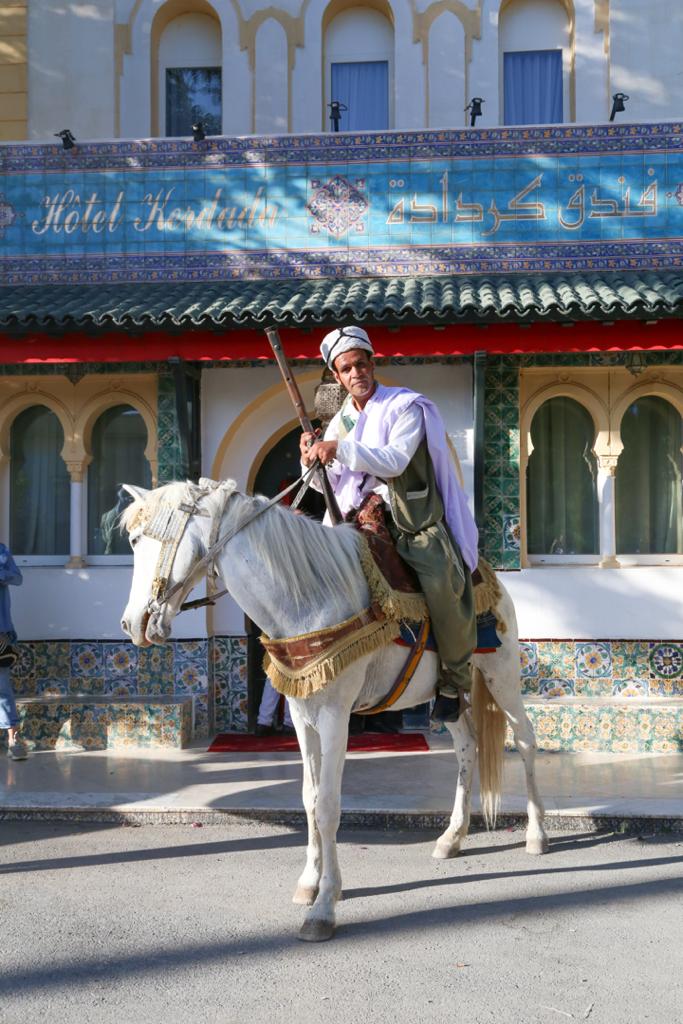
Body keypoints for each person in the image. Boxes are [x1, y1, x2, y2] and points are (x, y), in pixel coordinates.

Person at [299, 326, 478, 724]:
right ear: (337, 376)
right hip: (354, 520)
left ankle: (454, 679)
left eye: (361, 364)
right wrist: (311, 459)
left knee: (442, 581)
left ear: (373, 363)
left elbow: (395, 461)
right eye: (346, 369)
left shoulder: (404, 406)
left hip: (407, 520)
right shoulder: (341, 421)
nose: (356, 373)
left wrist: (338, 448)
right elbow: (328, 482)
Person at [0, 542, 28, 760]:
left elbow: (17, 578)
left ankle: (13, 738)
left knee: (2, 687)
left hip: (1, 630)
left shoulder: (1, 551)